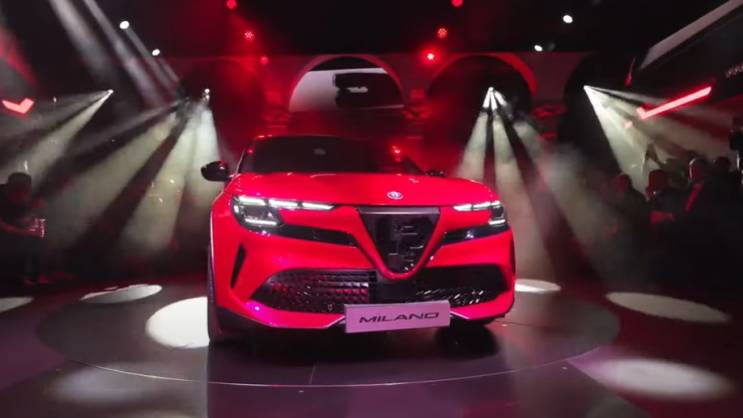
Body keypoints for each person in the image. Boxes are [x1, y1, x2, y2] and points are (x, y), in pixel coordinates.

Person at [0, 172, 45, 285]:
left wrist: (35, 221)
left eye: (26, 191)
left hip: (15, 229)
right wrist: (24, 232)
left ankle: (30, 276)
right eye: (20, 190)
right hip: (5, 232)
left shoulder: (31, 197)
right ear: (9, 188)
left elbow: (35, 220)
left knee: (35, 242)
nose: (24, 194)